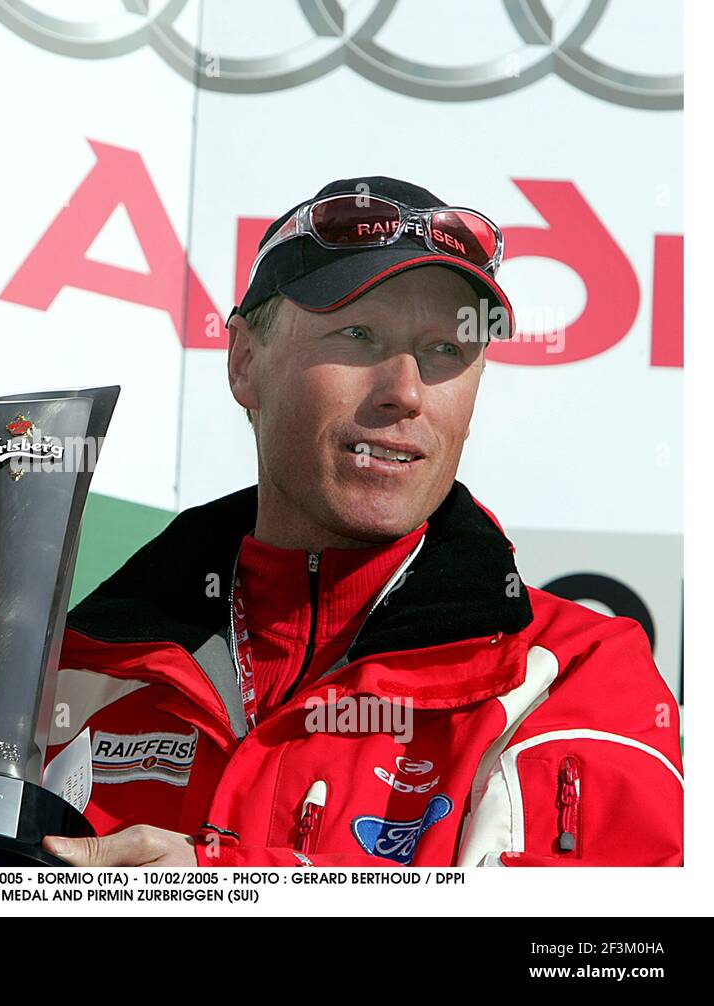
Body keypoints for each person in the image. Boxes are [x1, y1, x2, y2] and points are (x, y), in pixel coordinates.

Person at [42, 177, 683, 868]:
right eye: (358, 333)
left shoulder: (570, 671)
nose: (405, 393)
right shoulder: (71, 666)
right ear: (244, 362)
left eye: (445, 350)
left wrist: (226, 890)